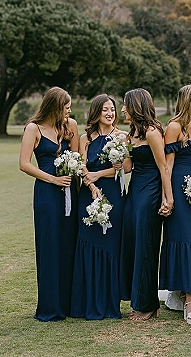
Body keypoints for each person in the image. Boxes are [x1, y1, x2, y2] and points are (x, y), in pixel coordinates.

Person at [19, 86, 79, 321]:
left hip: (70, 193)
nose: (69, 111)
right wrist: (53, 178)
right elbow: (24, 163)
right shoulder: (33, 129)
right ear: (54, 106)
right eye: (66, 107)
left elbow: (77, 159)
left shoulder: (70, 126)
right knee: (50, 246)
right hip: (46, 193)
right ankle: (51, 306)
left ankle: (71, 304)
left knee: (69, 244)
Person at [119, 88, 173, 321]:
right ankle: (140, 299)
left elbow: (163, 167)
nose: (122, 109)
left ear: (136, 107)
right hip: (134, 192)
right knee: (133, 244)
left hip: (150, 193)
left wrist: (167, 197)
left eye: (125, 105)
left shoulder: (152, 132)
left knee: (146, 247)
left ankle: (147, 305)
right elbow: (128, 167)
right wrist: (121, 146)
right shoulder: (133, 134)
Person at [70, 94, 125, 320]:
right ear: (96, 112)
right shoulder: (86, 138)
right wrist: (91, 186)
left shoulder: (122, 136)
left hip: (113, 194)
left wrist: (99, 174)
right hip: (87, 196)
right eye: (105, 110)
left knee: (110, 247)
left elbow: (125, 167)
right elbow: (81, 166)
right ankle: (86, 303)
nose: (110, 113)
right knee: (88, 243)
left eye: (112, 109)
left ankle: (109, 304)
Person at [159, 84, 191, 325]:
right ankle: (189, 297)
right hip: (178, 185)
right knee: (184, 237)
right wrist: (169, 197)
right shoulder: (175, 127)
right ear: (189, 101)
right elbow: (167, 165)